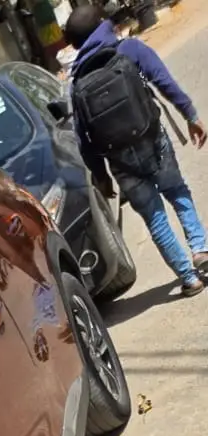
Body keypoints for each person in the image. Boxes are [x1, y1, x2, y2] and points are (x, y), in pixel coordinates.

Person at [65, 4, 208, 296]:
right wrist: (191, 116)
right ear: (103, 26)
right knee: (177, 191)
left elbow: (83, 139)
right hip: (152, 139)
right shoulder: (128, 49)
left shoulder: (77, 82)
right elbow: (164, 81)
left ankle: (188, 278)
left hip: (120, 161)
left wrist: (102, 177)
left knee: (154, 217)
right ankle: (200, 250)